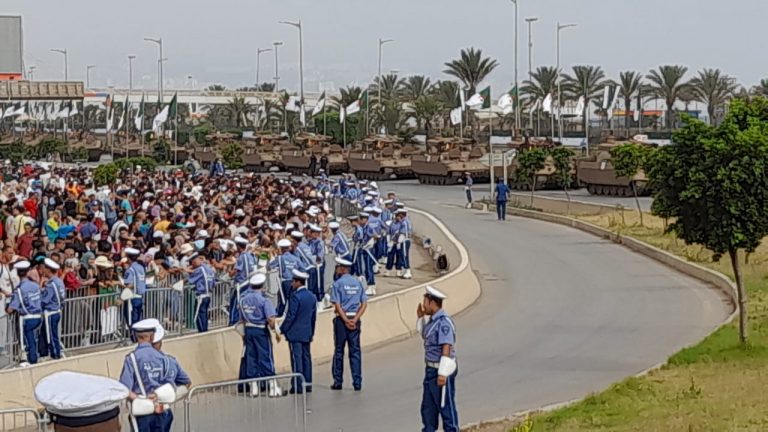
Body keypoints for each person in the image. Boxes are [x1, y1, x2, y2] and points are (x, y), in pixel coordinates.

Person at [119, 319, 175, 432]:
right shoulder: (165, 359)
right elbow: (171, 385)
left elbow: (125, 389)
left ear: (136, 337)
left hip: (143, 413)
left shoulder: (131, 359)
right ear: (152, 337)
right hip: (163, 411)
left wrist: (141, 399)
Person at [417, 286, 459, 432]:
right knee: (428, 409)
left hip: (440, 370)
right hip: (430, 369)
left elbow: (446, 347)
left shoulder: (443, 322)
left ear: (433, 303)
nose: (423, 305)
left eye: (425, 302)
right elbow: (426, 335)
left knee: (446, 407)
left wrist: (442, 373)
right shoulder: (432, 321)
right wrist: (420, 317)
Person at [238, 273, 282, 397]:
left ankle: (253, 388)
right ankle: (273, 387)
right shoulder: (264, 300)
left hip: (248, 330)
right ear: (262, 286)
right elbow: (270, 319)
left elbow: (241, 320)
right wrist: (276, 331)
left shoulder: (242, 299)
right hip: (261, 330)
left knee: (251, 358)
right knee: (265, 357)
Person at [329, 257, 367, 391]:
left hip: (342, 320)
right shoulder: (358, 283)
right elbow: (364, 304)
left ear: (342, 268)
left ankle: (338, 381)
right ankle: (357, 382)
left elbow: (337, 305)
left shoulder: (338, 284)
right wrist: (355, 319)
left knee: (339, 351)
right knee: (355, 351)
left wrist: (345, 320)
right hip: (354, 319)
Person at [278, 269, 316, 394]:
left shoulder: (295, 297)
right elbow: (313, 317)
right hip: (306, 332)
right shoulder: (311, 296)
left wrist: (283, 329)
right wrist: (312, 332)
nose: (292, 284)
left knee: (296, 359)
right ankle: (308, 383)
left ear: (298, 282)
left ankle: (298, 386)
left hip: (295, 333)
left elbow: (291, 316)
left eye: (293, 281)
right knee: (306, 358)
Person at [6, 260, 42, 365]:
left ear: (17, 273)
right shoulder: (35, 286)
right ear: (27, 272)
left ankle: (30, 359)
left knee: (26, 340)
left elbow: (11, 309)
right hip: (38, 316)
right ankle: (35, 356)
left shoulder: (19, 290)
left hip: (27, 318)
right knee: (34, 338)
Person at [39, 258, 66, 360]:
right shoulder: (59, 281)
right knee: (47, 333)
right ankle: (45, 352)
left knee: (51, 335)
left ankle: (55, 354)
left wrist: (41, 288)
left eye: (45, 268)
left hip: (50, 312)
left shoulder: (51, 284)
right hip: (57, 310)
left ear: (49, 270)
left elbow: (45, 300)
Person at [268, 239, 301, 317]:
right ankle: (293, 313)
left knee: (282, 300)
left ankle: (279, 314)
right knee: (293, 298)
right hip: (294, 281)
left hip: (284, 281)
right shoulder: (295, 258)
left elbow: (270, 266)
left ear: (281, 248)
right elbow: (302, 268)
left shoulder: (280, 258)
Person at [186, 253, 216, 333]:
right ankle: (205, 330)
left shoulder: (200, 270)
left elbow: (189, 280)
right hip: (208, 295)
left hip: (201, 296)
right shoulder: (209, 269)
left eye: (191, 263)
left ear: (194, 262)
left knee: (199, 315)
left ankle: (202, 331)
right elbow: (214, 283)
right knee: (204, 314)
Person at [228, 237, 255, 325]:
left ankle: (233, 321)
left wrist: (230, 273)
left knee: (235, 302)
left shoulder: (241, 257)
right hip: (249, 282)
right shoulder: (250, 256)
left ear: (239, 247)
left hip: (241, 284)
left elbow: (236, 270)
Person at [123, 247, 147, 328]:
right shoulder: (141, 267)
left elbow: (128, 284)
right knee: (138, 319)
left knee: (131, 320)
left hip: (132, 297)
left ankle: (134, 337)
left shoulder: (130, 269)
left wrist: (119, 283)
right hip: (140, 297)